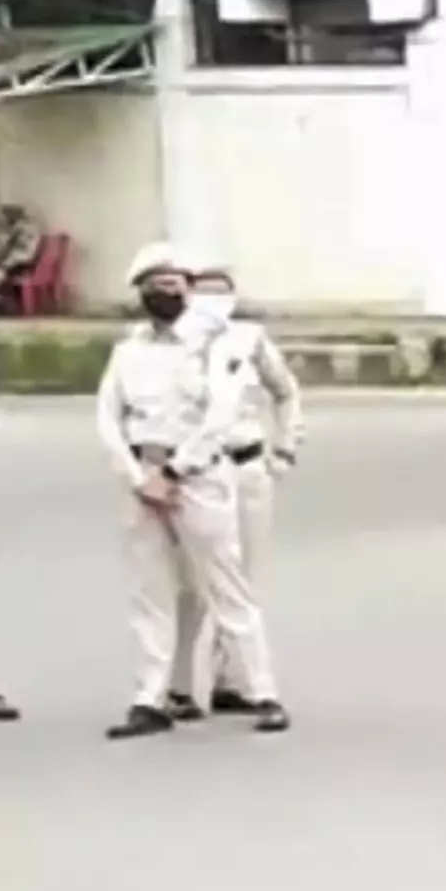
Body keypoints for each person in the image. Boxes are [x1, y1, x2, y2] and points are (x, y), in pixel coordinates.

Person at [95, 244, 285, 740]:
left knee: (226, 585)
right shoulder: (128, 352)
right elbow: (108, 420)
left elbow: (219, 416)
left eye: (174, 283)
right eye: (154, 286)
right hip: (144, 481)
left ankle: (262, 690)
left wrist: (176, 472)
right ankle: (150, 696)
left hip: (199, 478)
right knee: (151, 593)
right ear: (140, 293)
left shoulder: (214, 346)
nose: (165, 293)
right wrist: (141, 479)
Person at [159, 259, 301, 723]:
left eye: (223, 291)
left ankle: (227, 679)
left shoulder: (249, 339)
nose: (214, 299)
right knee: (192, 583)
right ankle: (180, 685)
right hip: (197, 470)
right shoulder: (175, 342)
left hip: (247, 465)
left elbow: (285, 391)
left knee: (244, 577)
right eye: (206, 290)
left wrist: (286, 445)